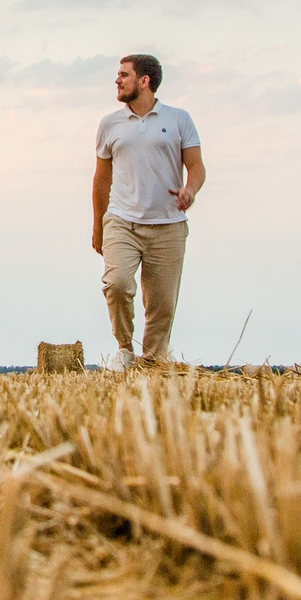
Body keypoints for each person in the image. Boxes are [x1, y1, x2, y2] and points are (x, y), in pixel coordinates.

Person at [91, 54, 202, 367]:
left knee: (162, 305)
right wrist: (98, 226)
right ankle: (124, 348)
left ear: (144, 81)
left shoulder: (179, 120)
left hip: (168, 225)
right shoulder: (109, 124)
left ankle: (153, 364)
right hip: (122, 221)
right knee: (117, 284)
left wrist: (189, 191)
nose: (117, 80)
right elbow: (101, 178)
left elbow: (196, 166)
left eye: (124, 75)